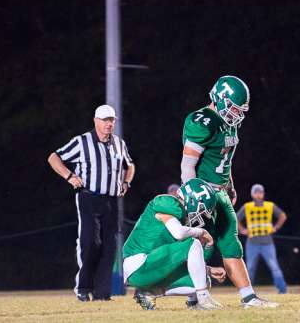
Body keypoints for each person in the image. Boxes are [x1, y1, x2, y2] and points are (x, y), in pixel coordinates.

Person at [180, 75, 278, 308]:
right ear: (220, 99)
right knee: (199, 246)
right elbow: (187, 165)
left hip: (221, 192)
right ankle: (193, 297)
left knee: (230, 244)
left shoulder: (230, 122)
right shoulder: (202, 121)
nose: (237, 114)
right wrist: (193, 198)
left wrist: (230, 184)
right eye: (234, 108)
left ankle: (249, 297)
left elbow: (226, 158)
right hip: (203, 193)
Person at [47, 105, 135, 301]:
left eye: (111, 120)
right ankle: (83, 288)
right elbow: (54, 157)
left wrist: (127, 182)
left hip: (112, 201)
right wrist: (69, 176)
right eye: (104, 120)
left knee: (109, 247)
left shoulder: (119, 143)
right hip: (89, 197)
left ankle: (102, 293)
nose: (108, 124)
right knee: (90, 243)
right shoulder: (82, 142)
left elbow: (130, 165)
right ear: (95, 121)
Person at [123, 179, 226, 310]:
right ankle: (204, 299)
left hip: (151, 266)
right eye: (201, 208)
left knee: (202, 280)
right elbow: (179, 233)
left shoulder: (179, 218)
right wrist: (201, 232)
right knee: (193, 242)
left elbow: (184, 260)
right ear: (192, 199)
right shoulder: (167, 203)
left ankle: (149, 293)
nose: (199, 214)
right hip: (138, 264)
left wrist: (209, 270)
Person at [236, 184, 288, 293]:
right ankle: (248, 291)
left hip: (267, 243)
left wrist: (276, 227)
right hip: (252, 243)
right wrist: (242, 230)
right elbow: (235, 218)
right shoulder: (247, 207)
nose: (258, 194)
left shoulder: (270, 206)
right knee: (250, 268)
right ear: (252, 194)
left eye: (260, 192)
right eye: (256, 192)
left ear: (263, 194)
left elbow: (282, 216)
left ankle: (282, 290)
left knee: (274, 267)